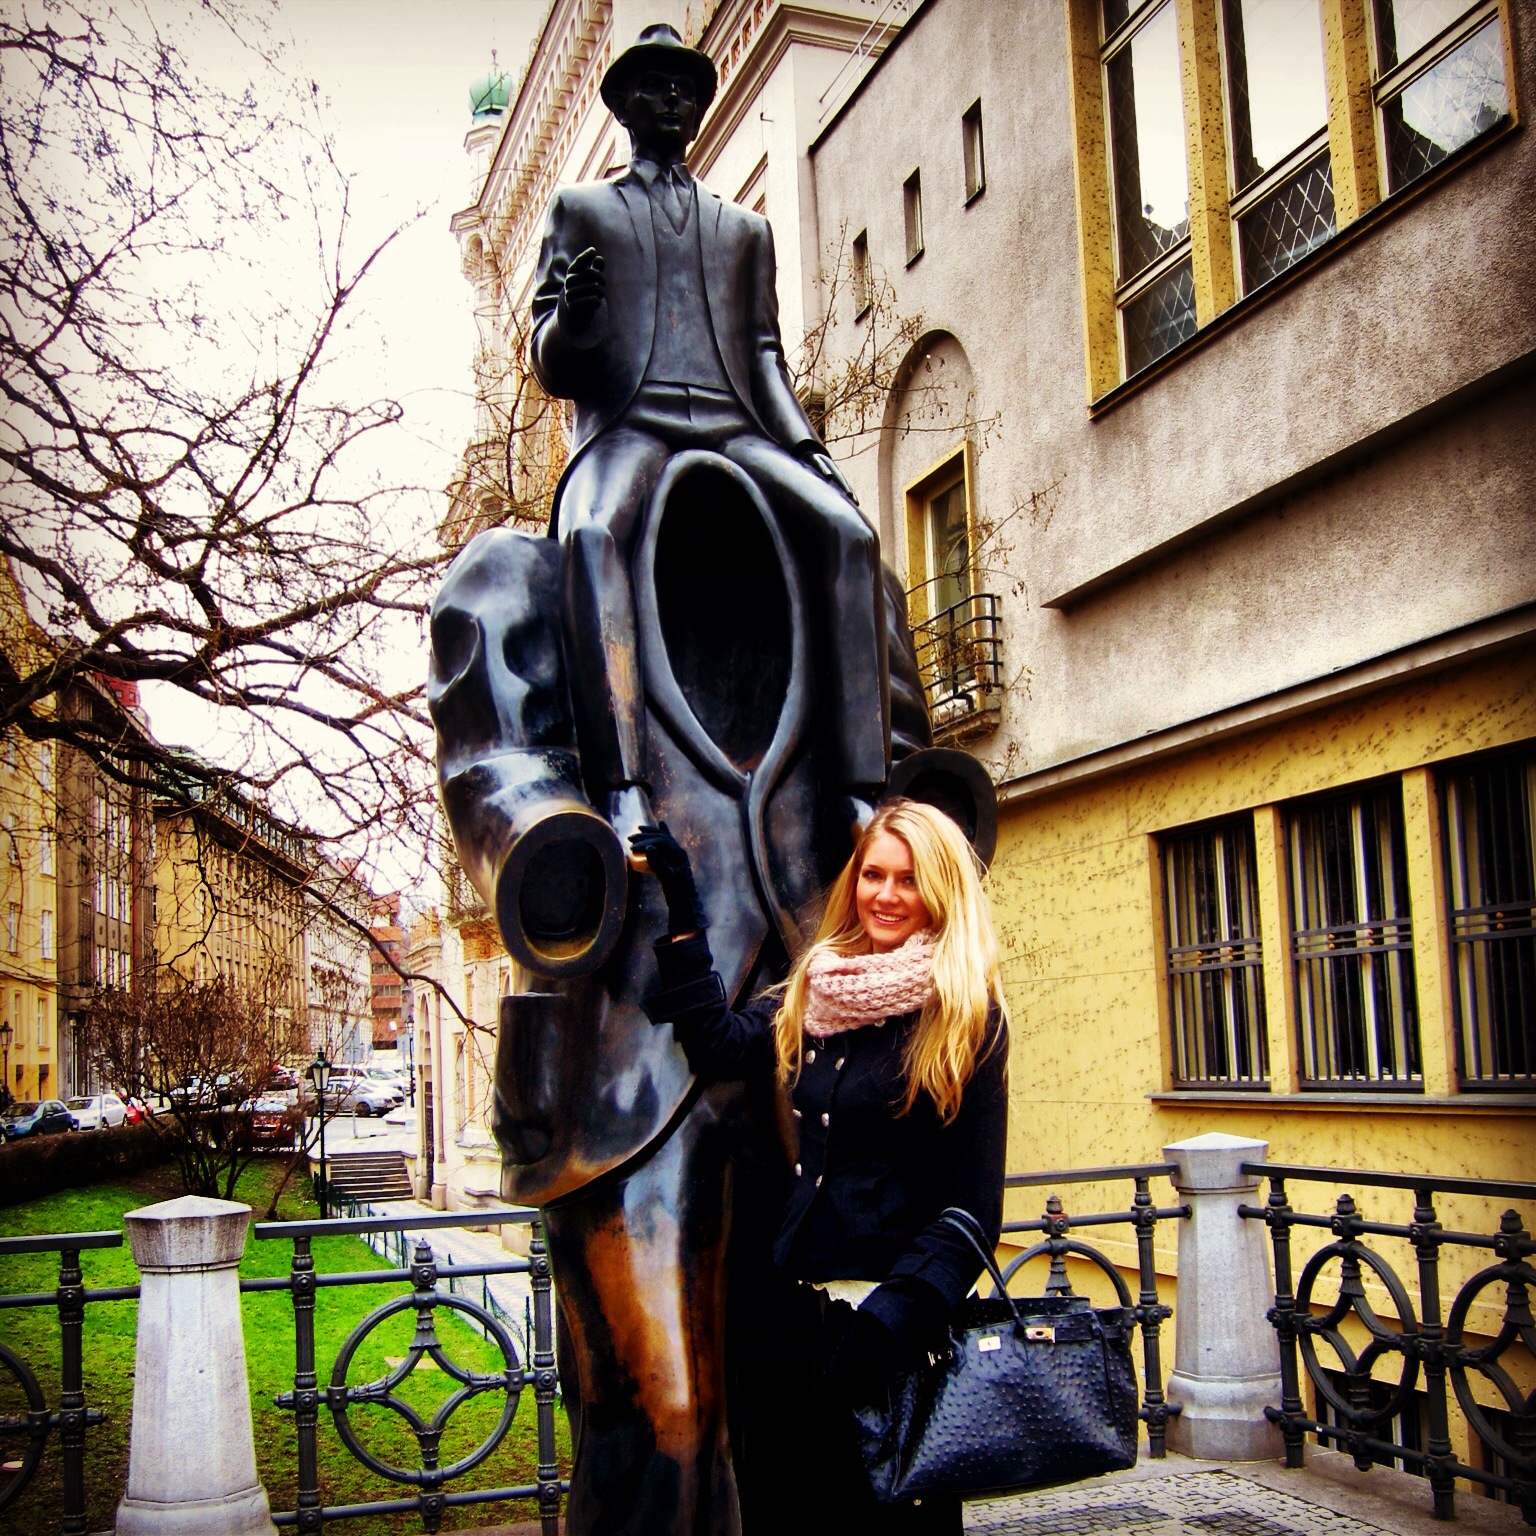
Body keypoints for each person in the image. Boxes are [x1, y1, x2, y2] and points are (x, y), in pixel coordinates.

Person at [530, 22, 890, 846]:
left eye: (686, 88)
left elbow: (765, 358)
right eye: (656, 86)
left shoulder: (744, 230)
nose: (673, 99)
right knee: (592, 534)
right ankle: (622, 787)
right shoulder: (582, 210)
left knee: (849, 534)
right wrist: (576, 321)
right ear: (624, 104)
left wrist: (810, 452)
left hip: (734, 427)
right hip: (631, 427)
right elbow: (550, 360)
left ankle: (857, 789)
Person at [634, 798, 1010, 1535]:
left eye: (909, 879)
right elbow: (719, 1042)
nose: (886, 895)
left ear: (941, 891)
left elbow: (973, 1212)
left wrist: (884, 1330)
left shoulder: (966, 1016)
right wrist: (683, 907)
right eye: (874, 874)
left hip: (887, 1341)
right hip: (791, 1322)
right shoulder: (822, 987)